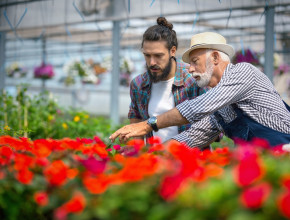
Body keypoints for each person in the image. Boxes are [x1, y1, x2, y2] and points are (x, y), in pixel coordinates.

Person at [110, 32, 290, 148]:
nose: (189, 69)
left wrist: (148, 124)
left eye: (195, 61)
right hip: (266, 166)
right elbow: (191, 137)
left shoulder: (244, 72)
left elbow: (199, 106)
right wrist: (149, 158)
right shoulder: (221, 110)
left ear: (215, 57)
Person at [128, 17, 207, 143]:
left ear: (173, 51)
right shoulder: (138, 84)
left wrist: (171, 149)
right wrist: (136, 152)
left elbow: (212, 126)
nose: (152, 62)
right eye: (147, 55)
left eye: (158, 56)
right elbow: (136, 119)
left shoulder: (193, 80)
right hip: (153, 158)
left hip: (190, 158)